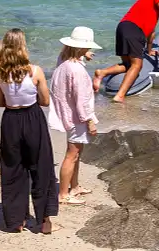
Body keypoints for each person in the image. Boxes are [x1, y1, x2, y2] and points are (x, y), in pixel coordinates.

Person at [0, 28, 59, 234]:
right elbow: (46, 100)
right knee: (41, 166)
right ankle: (44, 220)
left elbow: (0, 102)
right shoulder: (34, 71)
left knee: (13, 169)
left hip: (11, 119)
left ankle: (15, 221)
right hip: (32, 118)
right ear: (23, 47)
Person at [50, 26, 101, 205]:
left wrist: (81, 55)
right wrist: (89, 121)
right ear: (81, 48)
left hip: (67, 113)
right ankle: (64, 194)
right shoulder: (77, 71)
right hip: (77, 116)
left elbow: (68, 55)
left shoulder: (64, 61)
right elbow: (81, 100)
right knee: (72, 154)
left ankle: (75, 186)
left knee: (76, 152)